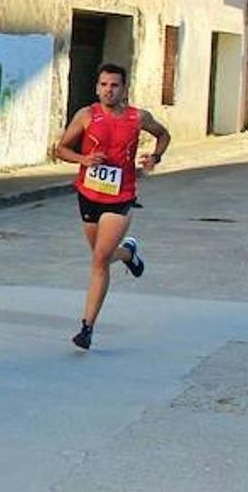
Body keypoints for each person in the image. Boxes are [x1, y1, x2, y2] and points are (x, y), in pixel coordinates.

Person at [53, 63, 169, 350]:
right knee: (101, 255)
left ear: (124, 89)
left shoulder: (137, 117)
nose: (109, 90)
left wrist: (155, 157)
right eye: (104, 84)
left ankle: (87, 328)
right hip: (89, 193)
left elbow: (163, 135)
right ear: (97, 88)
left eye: (114, 85)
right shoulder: (86, 115)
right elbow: (61, 148)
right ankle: (128, 253)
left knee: (99, 259)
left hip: (121, 195)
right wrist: (83, 160)